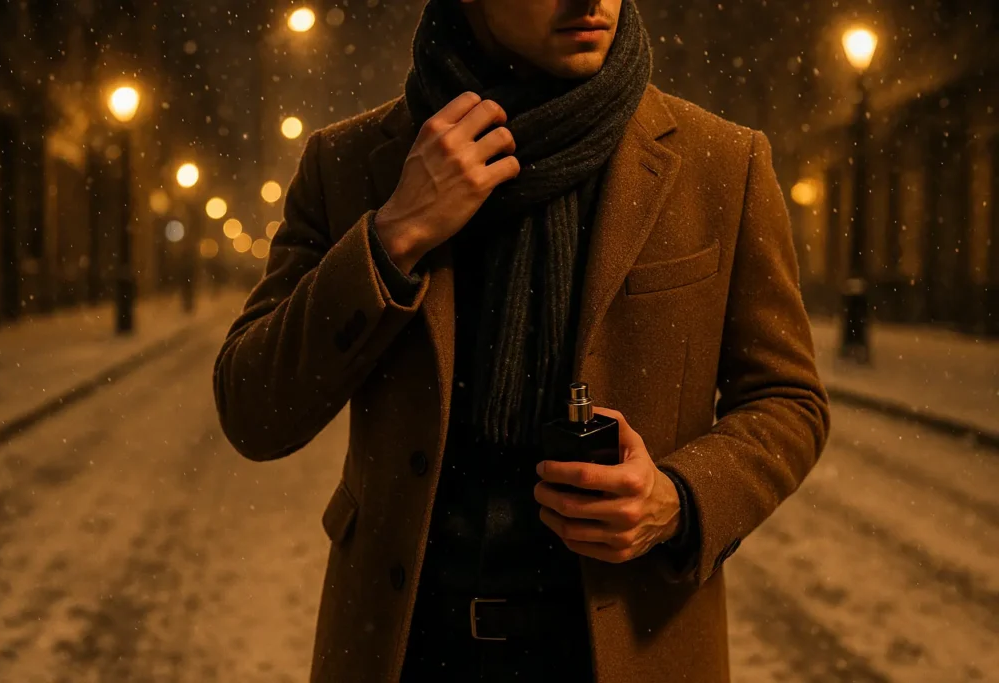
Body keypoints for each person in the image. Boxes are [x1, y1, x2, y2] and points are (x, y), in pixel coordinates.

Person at [212, 0, 831, 681]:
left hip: (624, 649)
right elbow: (254, 410)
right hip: (405, 650)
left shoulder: (719, 163)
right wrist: (394, 235)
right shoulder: (352, 163)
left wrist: (677, 500)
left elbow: (788, 399)